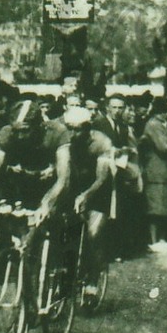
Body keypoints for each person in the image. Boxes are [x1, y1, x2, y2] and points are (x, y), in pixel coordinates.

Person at [0, 99, 72, 227]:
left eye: (25, 131)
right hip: (20, 182)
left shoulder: (57, 132)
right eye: (16, 131)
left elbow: (63, 178)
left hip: (49, 183)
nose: (20, 136)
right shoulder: (6, 133)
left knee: (46, 221)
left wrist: (46, 203)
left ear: (39, 126)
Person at [62, 105, 116, 304]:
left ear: (87, 127)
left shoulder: (102, 142)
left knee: (93, 235)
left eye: (79, 129)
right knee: (65, 234)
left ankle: (92, 283)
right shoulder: (65, 140)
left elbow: (102, 177)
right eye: (70, 128)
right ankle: (65, 276)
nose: (74, 133)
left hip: (97, 192)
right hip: (72, 189)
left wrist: (86, 195)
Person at [139, 98, 167, 251]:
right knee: (156, 209)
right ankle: (154, 240)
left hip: (165, 171)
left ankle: (162, 240)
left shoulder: (162, 124)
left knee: (164, 207)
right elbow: (163, 147)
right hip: (156, 169)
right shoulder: (153, 125)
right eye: (166, 111)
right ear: (160, 111)